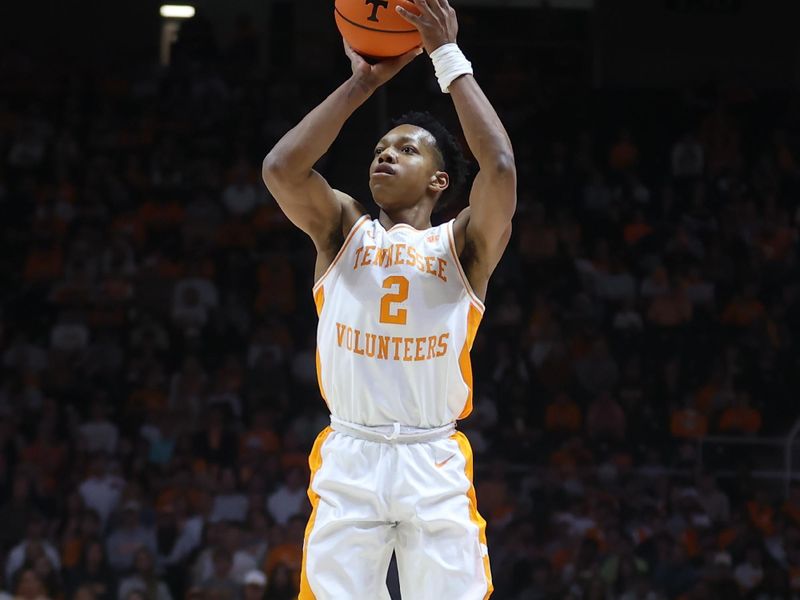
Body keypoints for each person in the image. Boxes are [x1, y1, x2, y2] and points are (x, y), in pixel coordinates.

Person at [261, 0, 516, 597]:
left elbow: (499, 165)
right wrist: (361, 82)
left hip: (432, 459)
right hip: (352, 454)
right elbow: (281, 169)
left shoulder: (463, 245)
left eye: (406, 149)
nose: (385, 153)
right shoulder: (343, 229)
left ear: (439, 181)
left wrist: (446, 58)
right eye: (381, 146)